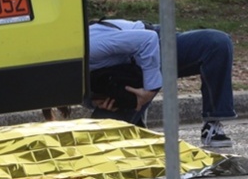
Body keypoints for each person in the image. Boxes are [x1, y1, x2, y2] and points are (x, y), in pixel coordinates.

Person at [87, 19, 237, 150]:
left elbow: (148, 40)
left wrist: (149, 91)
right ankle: (137, 125)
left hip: (153, 43)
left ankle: (213, 124)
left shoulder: (89, 45)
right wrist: (94, 100)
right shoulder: (70, 64)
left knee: (217, 44)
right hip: (124, 72)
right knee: (99, 143)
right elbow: (82, 89)